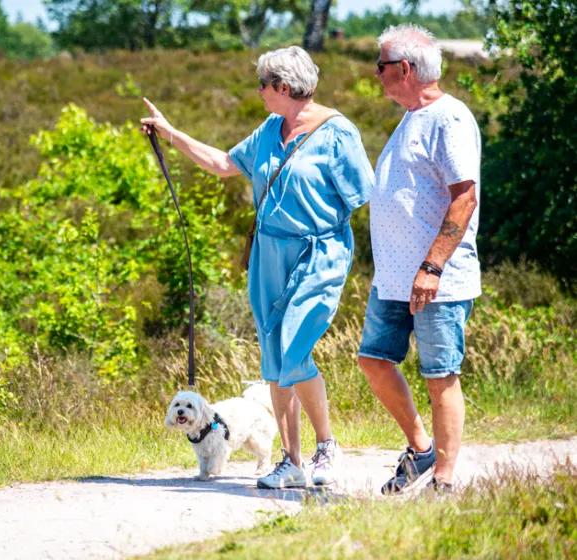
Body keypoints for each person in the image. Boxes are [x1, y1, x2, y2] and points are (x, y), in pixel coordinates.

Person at [141, 46, 374, 489]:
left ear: (285, 87)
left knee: (294, 346)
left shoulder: (338, 133)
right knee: (274, 362)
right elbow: (225, 164)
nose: (259, 91)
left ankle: (327, 446)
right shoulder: (270, 129)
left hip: (318, 253)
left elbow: (365, 197)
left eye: (263, 84)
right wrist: (170, 133)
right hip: (268, 255)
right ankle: (291, 462)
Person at [357, 25, 481, 495]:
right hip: (393, 279)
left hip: (436, 280)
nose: (376, 74)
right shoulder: (412, 116)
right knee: (373, 360)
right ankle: (422, 448)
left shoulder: (448, 118)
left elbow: (464, 197)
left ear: (405, 70)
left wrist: (432, 267)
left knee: (439, 376)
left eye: (382, 66)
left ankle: (444, 481)